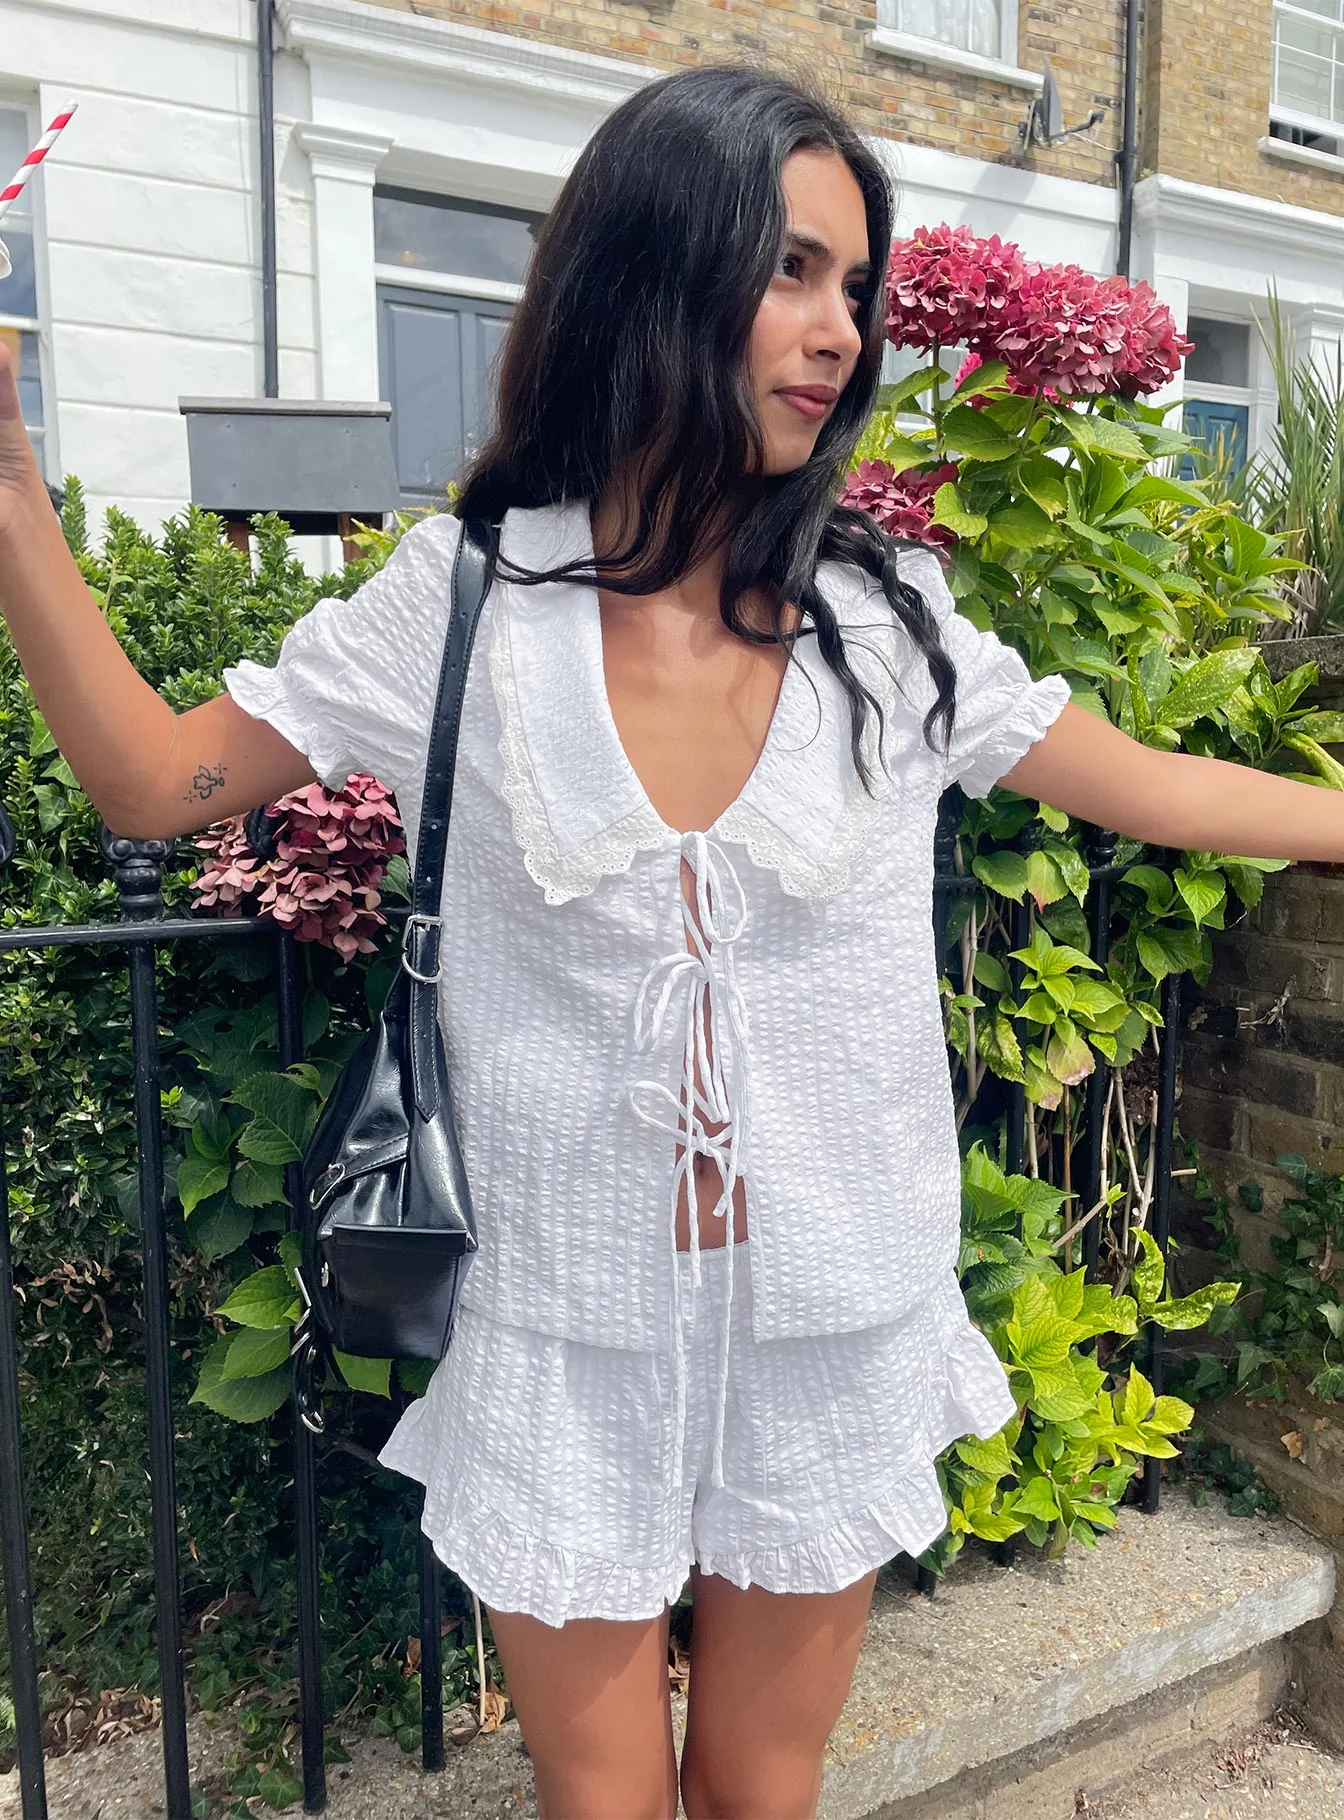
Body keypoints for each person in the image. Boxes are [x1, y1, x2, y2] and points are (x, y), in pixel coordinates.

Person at [0, 63, 1339, 1820]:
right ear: (649, 272)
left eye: (854, 284)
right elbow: (153, 780)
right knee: (604, 1799)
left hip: (832, 1310)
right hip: (568, 1318)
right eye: (789, 269)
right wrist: (14, 490)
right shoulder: (468, 602)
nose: (838, 328)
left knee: (765, 1791)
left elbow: (1152, 783)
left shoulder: (884, 621)